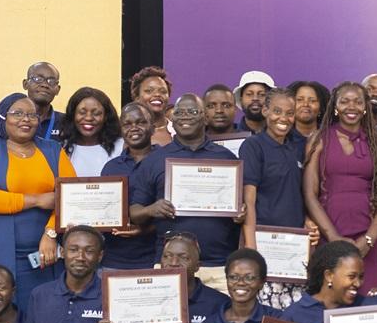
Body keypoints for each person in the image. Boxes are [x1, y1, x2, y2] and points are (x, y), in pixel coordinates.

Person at [0, 94, 73, 311]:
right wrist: (36, 200)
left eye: (32, 114)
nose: (26, 119)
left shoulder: (53, 150)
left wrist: (51, 232)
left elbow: (71, 197)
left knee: (44, 310)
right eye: (18, 113)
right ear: (3, 118)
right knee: (0, 312)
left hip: (46, 254)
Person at [131, 93, 243, 288]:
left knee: (221, 320)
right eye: (180, 112)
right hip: (170, 265)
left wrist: (240, 214)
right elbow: (134, 212)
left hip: (218, 265)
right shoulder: (155, 160)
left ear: (205, 117)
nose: (185, 116)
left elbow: (243, 209)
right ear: (171, 120)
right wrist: (151, 209)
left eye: (192, 111)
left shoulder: (226, 159)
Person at [304, 81, 377, 292]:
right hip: (331, 230)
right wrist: (334, 238)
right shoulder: (318, 140)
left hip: (372, 231)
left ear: (365, 107)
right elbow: (310, 194)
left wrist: (370, 238)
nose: (351, 107)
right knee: (334, 296)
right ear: (335, 107)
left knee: (373, 299)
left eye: (357, 102)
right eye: (344, 101)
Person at [241, 87, 314, 308]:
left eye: (289, 113)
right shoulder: (253, 146)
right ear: (265, 111)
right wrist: (252, 250)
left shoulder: (296, 147)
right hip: (265, 246)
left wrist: (308, 220)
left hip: (294, 249)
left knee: (293, 315)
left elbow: (300, 193)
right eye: (277, 111)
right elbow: (249, 201)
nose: (283, 118)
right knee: (266, 314)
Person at [99, 102, 161, 273]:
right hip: (113, 260)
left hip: (154, 258)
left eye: (141, 122)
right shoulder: (110, 168)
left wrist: (144, 229)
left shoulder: (166, 162)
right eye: (127, 124)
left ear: (153, 128)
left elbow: (175, 211)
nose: (134, 128)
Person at [0, 61, 66, 142]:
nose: (44, 85)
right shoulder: (4, 118)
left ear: (58, 90)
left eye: (51, 81)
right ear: (25, 84)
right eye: (38, 79)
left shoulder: (66, 122)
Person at [60, 86, 124, 176]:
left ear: (106, 117)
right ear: (72, 115)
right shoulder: (61, 148)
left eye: (96, 113)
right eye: (82, 112)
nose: (88, 118)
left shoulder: (121, 147)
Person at [129, 65, 174, 147]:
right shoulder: (125, 133)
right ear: (136, 97)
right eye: (149, 91)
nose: (157, 94)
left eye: (163, 91)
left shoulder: (178, 132)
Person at [235, 69, 274, 135]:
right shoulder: (231, 135)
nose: (255, 98)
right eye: (249, 94)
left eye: (262, 94)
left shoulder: (282, 134)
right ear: (241, 100)